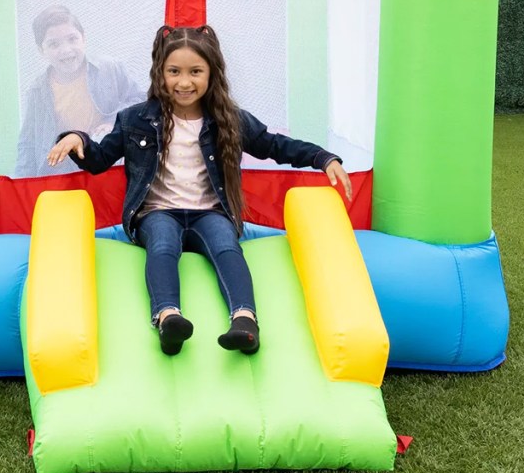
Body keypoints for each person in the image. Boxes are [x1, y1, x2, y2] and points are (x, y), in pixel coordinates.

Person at [47, 25, 352, 356]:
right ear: (160, 73)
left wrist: (323, 158)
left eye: (195, 72)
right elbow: (100, 159)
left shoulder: (229, 119)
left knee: (226, 246)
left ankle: (245, 321)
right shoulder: (136, 119)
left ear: (212, 73)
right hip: (156, 211)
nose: (184, 82)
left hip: (210, 211)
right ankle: (168, 317)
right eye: (174, 72)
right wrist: (78, 138)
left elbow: (274, 145)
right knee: (162, 244)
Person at [15, 5, 144, 177]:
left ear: (84, 38)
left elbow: (140, 102)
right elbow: (28, 144)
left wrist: (113, 120)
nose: (66, 50)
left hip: (107, 163)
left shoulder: (109, 68)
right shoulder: (37, 91)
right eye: (54, 44)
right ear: (41, 50)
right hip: (62, 173)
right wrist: (21, 186)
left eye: (72, 39)